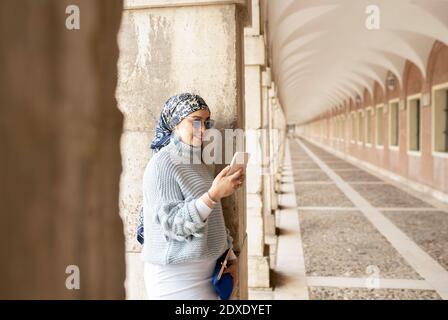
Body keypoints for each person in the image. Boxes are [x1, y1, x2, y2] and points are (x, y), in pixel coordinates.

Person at [141, 93, 244, 299]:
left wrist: (229, 257)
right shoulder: (162, 164)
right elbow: (173, 225)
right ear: (175, 124)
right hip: (174, 280)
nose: (203, 130)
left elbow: (213, 218)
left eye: (207, 122)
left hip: (208, 277)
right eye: (196, 122)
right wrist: (214, 194)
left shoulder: (197, 162)